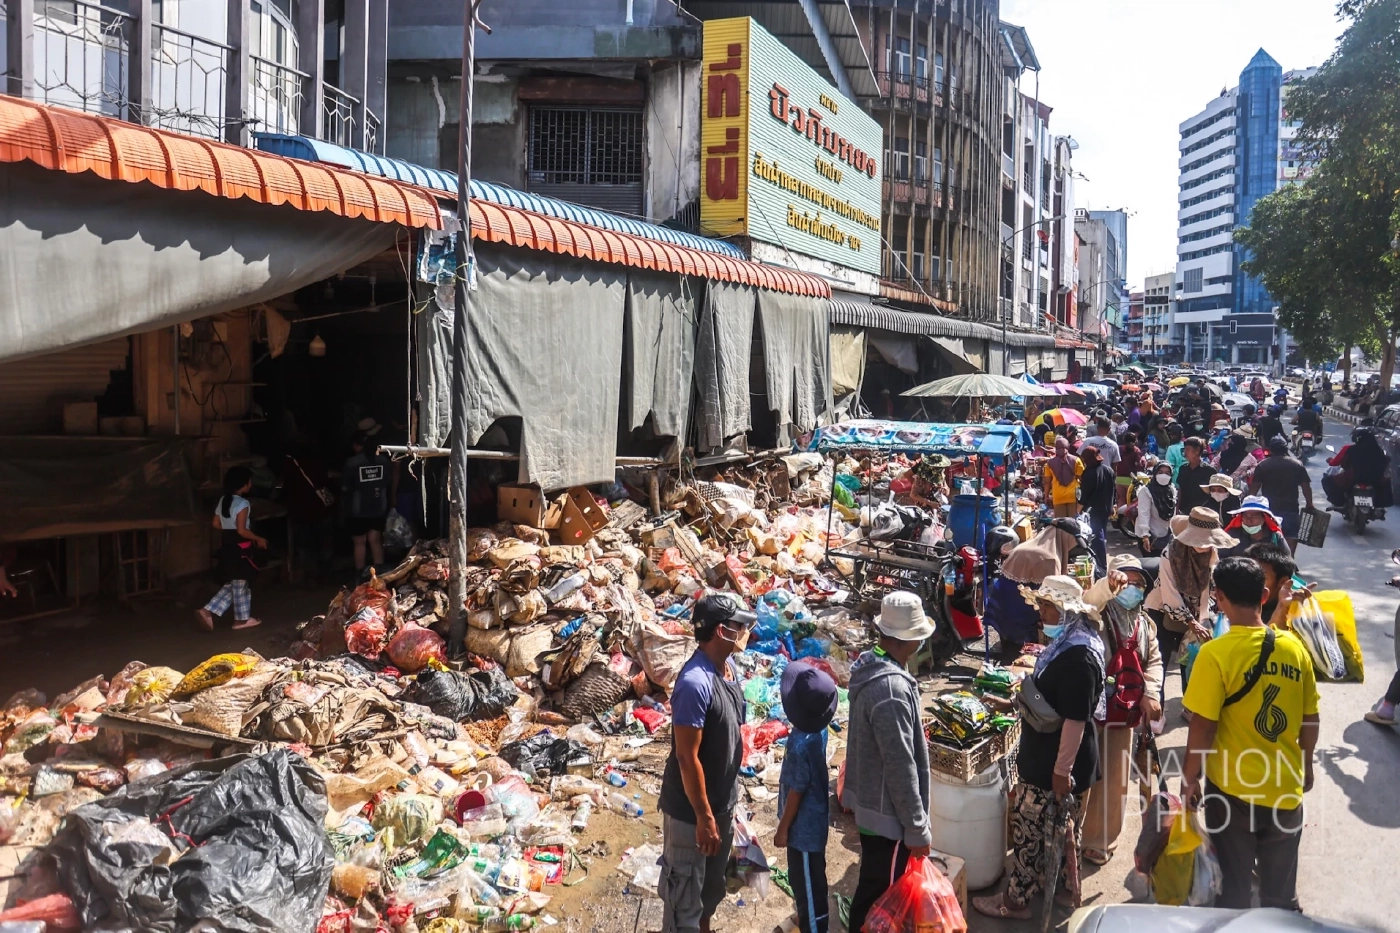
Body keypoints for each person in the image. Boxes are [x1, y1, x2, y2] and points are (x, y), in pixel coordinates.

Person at [1182, 557, 1320, 912]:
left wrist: (1189, 779)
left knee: (1235, 893)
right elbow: (1310, 719)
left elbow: (1202, 725)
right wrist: (1307, 766)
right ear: (1264, 594)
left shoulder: (1215, 654)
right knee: (1281, 897)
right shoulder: (1295, 650)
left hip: (1231, 794)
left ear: (1219, 598)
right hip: (1285, 792)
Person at [972, 576, 1106, 920]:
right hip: (1052, 755)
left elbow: (1075, 720)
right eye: (1042, 605)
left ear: (1067, 611)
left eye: (1047, 606)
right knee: (1059, 830)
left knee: (1031, 834)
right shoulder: (1066, 643)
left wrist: (1060, 773)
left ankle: (1015, 902)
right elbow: (1049, 698)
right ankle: (1062, 889)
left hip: (1057, 763)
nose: (1040, 613)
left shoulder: (1080, 658)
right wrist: (1011, 703)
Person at [659, 593, 755, 933]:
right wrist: (704, 817)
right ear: (720, 631)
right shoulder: (694, 683)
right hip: (692, 814)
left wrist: (728, 804)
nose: (744, 630)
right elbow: (687, 757)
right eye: (738, 625)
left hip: (721, 805)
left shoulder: (727, 670)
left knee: (710, 890)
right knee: (683, 898)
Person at [843, 592, 934, 933]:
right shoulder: (892, 690)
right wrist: (916, 827)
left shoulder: (873, 666)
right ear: (908, 640)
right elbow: (900, 766)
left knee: (873, 883)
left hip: (873, 805)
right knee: (880, 894)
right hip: (888, 815)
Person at [1079, 555, 1165, 866]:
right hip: (1090, 705)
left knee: (1114, 776)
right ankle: (1072, 833)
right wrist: (1106, 586)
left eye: (1139, 583)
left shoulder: (1145, 623)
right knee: (1083, 772)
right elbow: (1087, 601)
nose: (1133, 588)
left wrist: (1151, 693)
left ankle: (1100, 841)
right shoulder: (1097, 614)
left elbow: (1154, 662)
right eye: (1126, 581)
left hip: (1125, 709)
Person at [774, 662, 838, 933]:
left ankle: (814, 926)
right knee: (812, 879)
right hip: (815, 822)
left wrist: (783, 828)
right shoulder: (818, 730)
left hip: (801, 830)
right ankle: (808, 918)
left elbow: (797, 790)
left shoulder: (800, 744)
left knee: (807, 887)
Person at [1146, 508, 1235, 699]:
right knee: (1159, 660)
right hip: (1164, 608)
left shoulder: (1211, 551)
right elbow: (1169, 592)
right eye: (1200, 541)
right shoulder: (1170, 553)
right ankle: (1156, 709)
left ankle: (1190, 704)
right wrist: (1191, 622)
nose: (1204, 546)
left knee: (1192, 659)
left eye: (1208, 541)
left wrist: (1205, 616)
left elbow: (1209, 584)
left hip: (1198, 610)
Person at [986, 525, 1081, 659]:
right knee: (1022, 658)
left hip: (1001, 603)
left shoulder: (1026, 545)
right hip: (1019, 610)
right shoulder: (1049, 558)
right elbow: (1049, 597)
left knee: (1010, 648)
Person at [197, 467, 268, 632]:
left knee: (236, 582)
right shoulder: (243, 503)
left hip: (227, 545)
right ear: (244, 484)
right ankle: (241, 620)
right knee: (241, 581)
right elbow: (242, 530)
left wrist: (228, 529)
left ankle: (208, 610)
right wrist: (258, 538)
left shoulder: (223, 500)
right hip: (240, 546)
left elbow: (215, 524)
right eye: (249, 481)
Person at [1248, 436, 1314, 552]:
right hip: (1291, 509)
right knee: (1290, 543)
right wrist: (1310, 504)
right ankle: (1290, 564)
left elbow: (1254, 488)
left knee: (1267, 545)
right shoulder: (1297, 464)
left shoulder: (1263, 465)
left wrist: (1248, 505)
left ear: (1270, 449)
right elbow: (1306, 487)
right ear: (1285, 448)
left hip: (1269, 511)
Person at [342, 431, 393, 579]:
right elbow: (387, 482)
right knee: (375, 541)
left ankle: (360, 576)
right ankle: (380, 576)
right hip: (379, 507)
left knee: (359, 543)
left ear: (358, 446)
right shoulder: (383, 461)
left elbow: (346, 487)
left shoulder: (352, 463)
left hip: (358, 510)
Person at [1245, 543, 1312, 630]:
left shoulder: (1294, 611)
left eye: (1259, 577)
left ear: (1283, 582)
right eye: (1246, 574)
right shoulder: (1235, 599)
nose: (1249, 581)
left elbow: (1268, 640)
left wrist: (1282, 608)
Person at [1078, 445, 1116, 577]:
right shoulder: (1108, 470)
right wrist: (1112, 506)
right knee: (1101, 535)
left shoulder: (1089, 473)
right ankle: (1100, 565)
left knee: (1096, 538)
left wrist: (1077, 512)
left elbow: (1084, 496)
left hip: (1092, 510)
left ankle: (1101, 567)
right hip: (1106, 508)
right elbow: (1113, 490)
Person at [1224, 496, 1291, 559]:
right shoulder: (1232, 535)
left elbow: (1287, 561)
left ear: (1264, 518)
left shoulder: (1275, 537)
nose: (1248, 520)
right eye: (1245, 516)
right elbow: (1221, 558)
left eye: (1253, 516)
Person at [1135, 461, 1177, 556]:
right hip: (1149, 536)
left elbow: (1172, 513)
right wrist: (1145, 536)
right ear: (1155, 473)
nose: (1163, 475)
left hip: (1165, 534)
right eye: (1160, 472)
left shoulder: (1171, 490)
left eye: (1167, 473)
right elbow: (1143, 514)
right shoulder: (1146, 491)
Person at [1043, 436, 1085, 518]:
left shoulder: (1049, 463)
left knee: (1061, 524)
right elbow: (1082, 478)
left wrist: (1046, 496)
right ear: (1068, 447)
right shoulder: (1076, 460)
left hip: (1058, 496)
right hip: (1073, 495)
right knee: (1073, 523)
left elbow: (1047, 482)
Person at [1175, 437, 1216, 514]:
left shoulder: (1209, 471)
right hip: (1184, 511)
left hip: (1202, 512)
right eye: (1184, 449)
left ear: (1197, 450)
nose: (1185, 452)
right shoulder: (1183, 469)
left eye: (1187, 449)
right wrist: (1177, 507)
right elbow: (1180, 489)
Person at [1116, 431, 1146, 509]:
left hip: (1118, 478)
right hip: (1130, 480)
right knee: (1130, 501)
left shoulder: (1119, 449)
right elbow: (1138, 465)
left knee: (1121, 500)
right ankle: (1127, 519)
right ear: (1135, 441)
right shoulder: (1136, 451)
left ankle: (1118, 518)